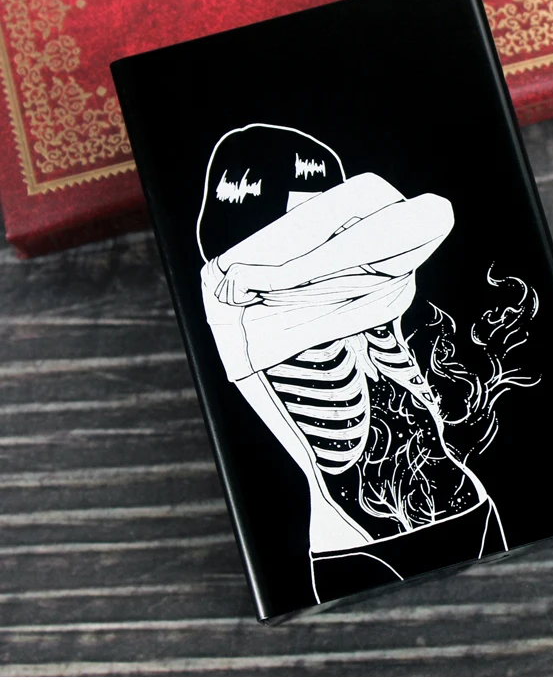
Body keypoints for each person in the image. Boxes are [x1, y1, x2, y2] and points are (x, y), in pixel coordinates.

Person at [198, 124, 505, 602]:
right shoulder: (230, 297)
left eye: (337, 210)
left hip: (473, 512)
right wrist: (308, 255)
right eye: (312, 213)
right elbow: (382, 209)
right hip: (360, 547)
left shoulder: (360, 277)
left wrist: (285, 274)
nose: (337, 231)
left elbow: (432, 213)